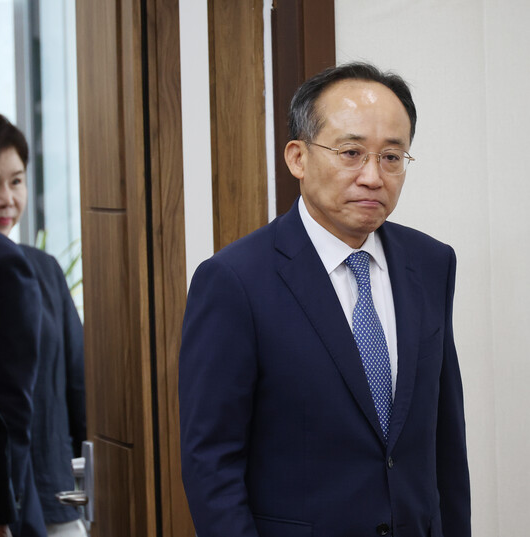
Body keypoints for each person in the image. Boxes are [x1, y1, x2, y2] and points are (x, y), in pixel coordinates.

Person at [179, 62, 471, 537]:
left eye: (392, 157)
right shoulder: (234, 281)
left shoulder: (431, 263)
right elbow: (210, 462)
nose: (373, 176)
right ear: (298, 157)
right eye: (351, 152)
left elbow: (446, 440)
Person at [0, 111, 86, 537]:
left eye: (17, 181)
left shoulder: (45, 268)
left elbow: (78, 385)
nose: (6, 199)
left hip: (54, 499)